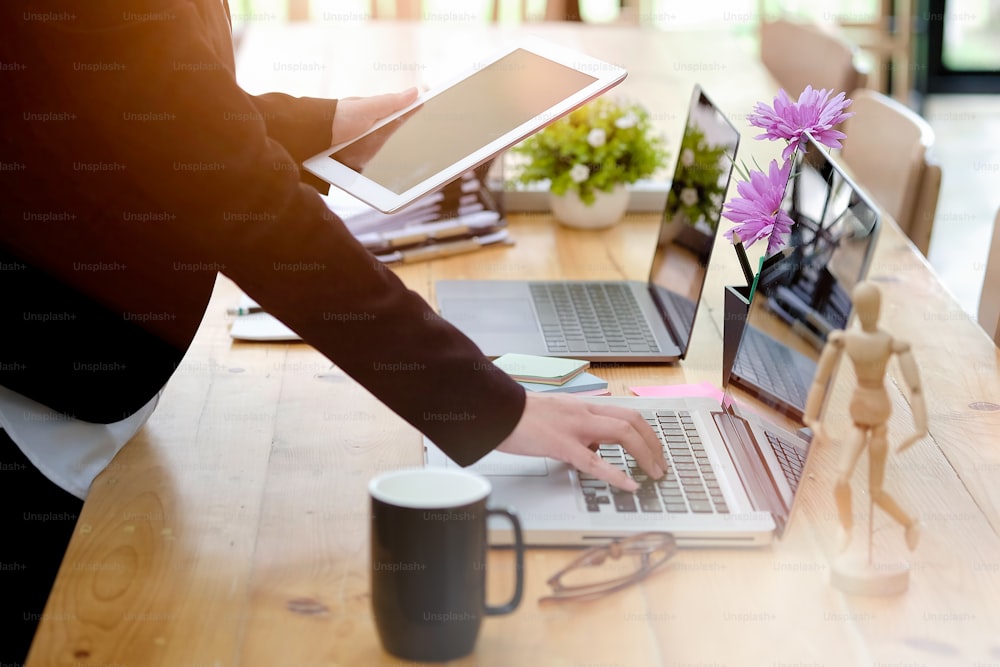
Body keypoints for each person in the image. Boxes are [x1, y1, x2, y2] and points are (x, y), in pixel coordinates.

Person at [1, 1, 666, 661]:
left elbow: (146, 98)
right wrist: (491, 405)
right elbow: (243, 205)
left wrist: (320, 124)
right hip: (41, 405)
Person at [802, 281, 925, 554]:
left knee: (876, 492)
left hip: (879, 422)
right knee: (841, 479)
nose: (869, 313)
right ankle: (846, 528)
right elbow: (820, 380)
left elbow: (915, 388)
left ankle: (910, 523)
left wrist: (919, 427)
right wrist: (812, 418)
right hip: (859, 420)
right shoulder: (845, 340)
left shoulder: (889, 344)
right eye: (864, 308)